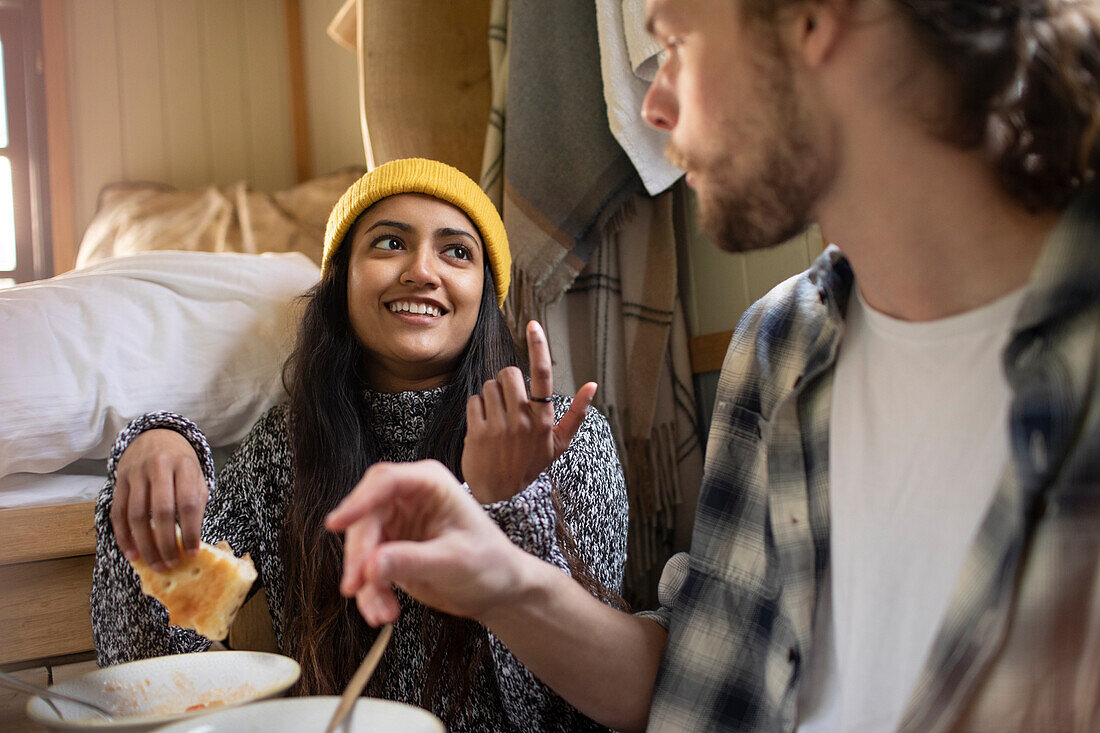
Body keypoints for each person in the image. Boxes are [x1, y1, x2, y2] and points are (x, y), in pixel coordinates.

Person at [325, 2, 1100, 732]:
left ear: (812, 17)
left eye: (674, 43)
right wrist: (504, 577)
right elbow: (702, 683)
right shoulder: (780, 346)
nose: (655, 107)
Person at [90, 158, 629, 732]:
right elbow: (149, 665)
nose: (423, 271)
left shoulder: (563, 440)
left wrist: (508, 511)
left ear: (485, 296)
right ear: (341, 281)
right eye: (390, 243)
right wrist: (156, 444)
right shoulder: (284, 447)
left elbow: (569, 714)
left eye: (456, 252)